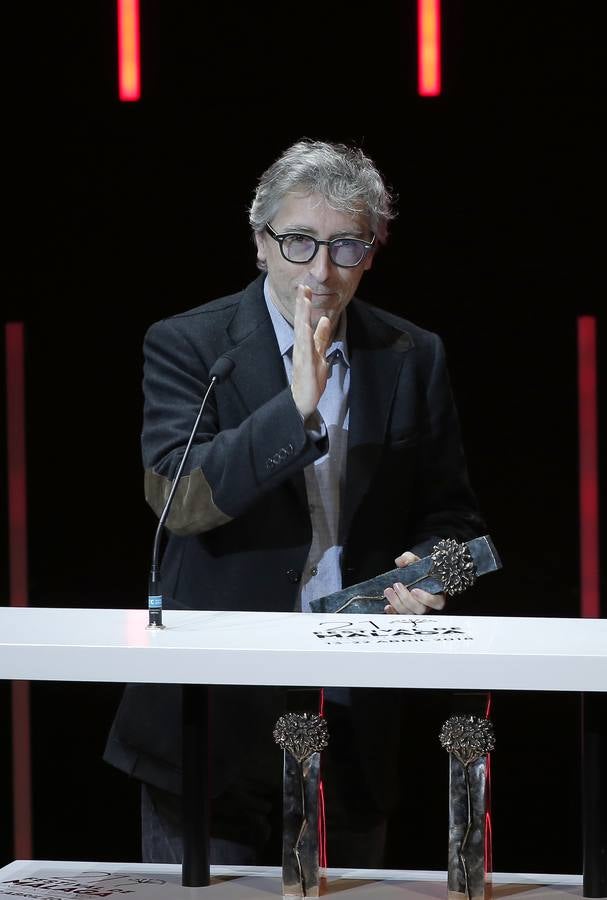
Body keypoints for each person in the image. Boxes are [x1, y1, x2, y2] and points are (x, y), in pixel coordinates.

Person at [104, 139, 486, 865]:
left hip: (350, 710)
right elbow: (179, 503)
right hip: (212, 718)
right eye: (299, 241)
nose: (319, 269)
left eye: (345, 246)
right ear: (260, 244)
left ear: (372, 253)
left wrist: (433, 575)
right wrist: (297, 408)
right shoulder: (189, 344)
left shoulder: (412, 353)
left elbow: (455, 522)